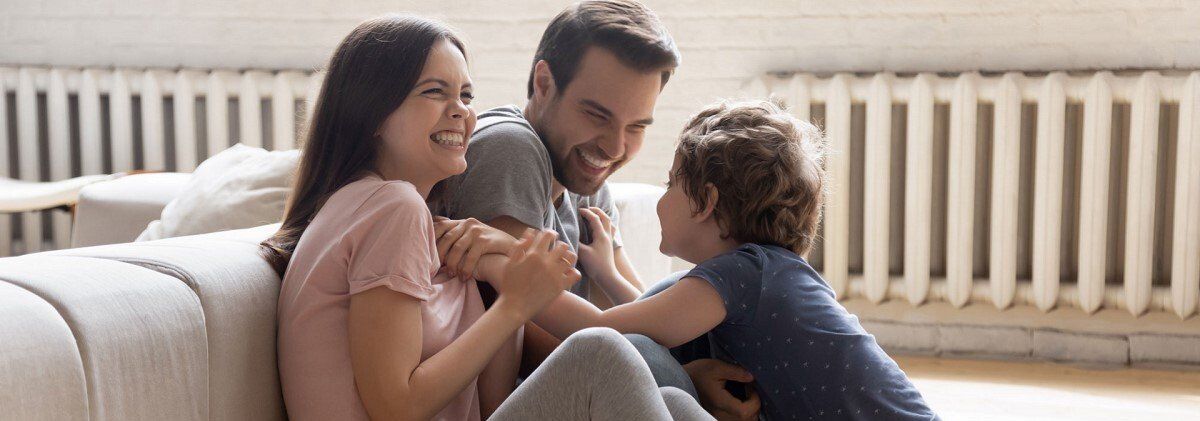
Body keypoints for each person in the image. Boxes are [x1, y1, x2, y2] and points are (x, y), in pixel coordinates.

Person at [263, 15, 710, 421]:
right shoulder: (390, 209)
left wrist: (504, 273)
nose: (461, 110)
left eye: (466, 94)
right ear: (371, 111)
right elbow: (395, 406)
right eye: (435, 92)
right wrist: (515, 301)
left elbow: (494, 402)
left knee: (672, 402)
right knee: (602, 353)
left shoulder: (422, 224)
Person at [432, 2, 760, 418]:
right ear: (545, 83)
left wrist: (677, 371)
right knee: (644, 363)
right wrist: (669, 374)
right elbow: (521, 323)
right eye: (596, 114)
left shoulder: (583, 173)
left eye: (637, 126)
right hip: (513, 398)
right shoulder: (511, 149)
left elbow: (627, 313)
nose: (615, 148)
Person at [521, 99, 941, 420]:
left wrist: (517, 279)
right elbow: (664, 317)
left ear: (706, 202)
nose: (663, 197)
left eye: (672, 183)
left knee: (629, 347)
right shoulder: (760, 273)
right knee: (666, 303)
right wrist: (610, 274)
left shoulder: (740, 274)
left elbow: (601, 332)